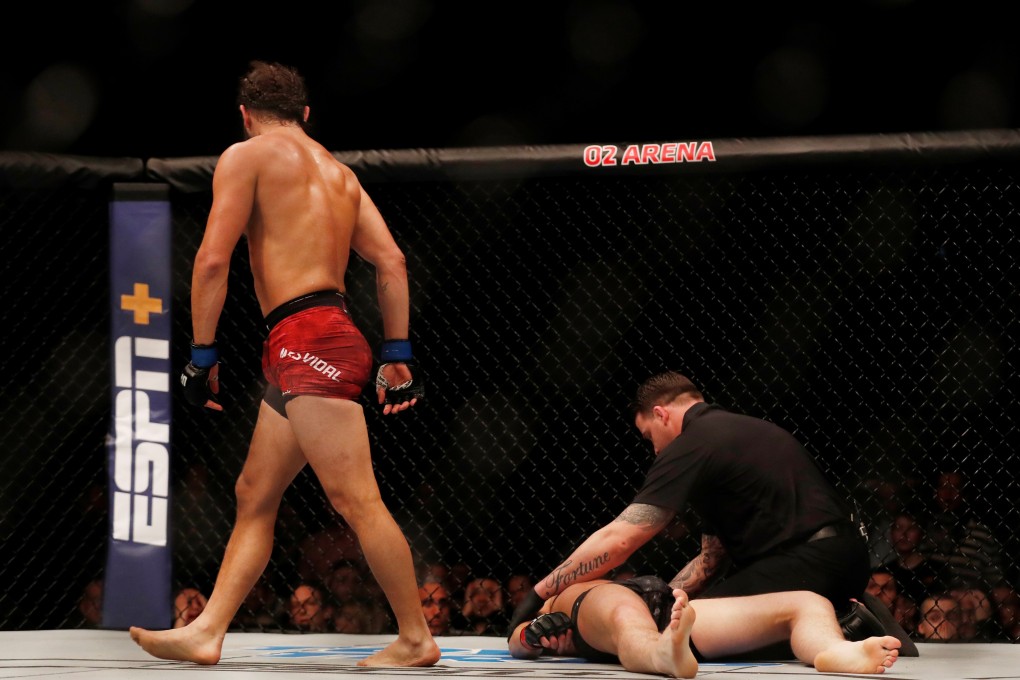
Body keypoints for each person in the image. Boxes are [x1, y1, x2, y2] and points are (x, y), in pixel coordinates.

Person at [128, 60, 438, 668]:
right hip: (319, 336)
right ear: (305, 113)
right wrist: (397, 353)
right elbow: (393, 262)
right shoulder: (341, 175)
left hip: (308, 340)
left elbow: (212, 261)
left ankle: (414, 636)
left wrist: (202, 355)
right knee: (254, 492)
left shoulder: (246, 157)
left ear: (245, 116)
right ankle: (207, 630)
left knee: (355, 500)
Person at [512, 372, 875, 635]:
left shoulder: (693, 442)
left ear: (661, 414)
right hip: (842, 557)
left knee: (693, 635)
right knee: (679, 622)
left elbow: (622, 538)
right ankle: (838, 615)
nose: (654, 449)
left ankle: (846, 627)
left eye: (649, 436)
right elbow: (710, 561)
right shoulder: (736, 433)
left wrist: (539, 593)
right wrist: (658, 606)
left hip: (807, 562)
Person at [508, 576, 901, 677]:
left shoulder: (599, 587)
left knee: (805, 602)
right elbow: (516, 640)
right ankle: (662, 653)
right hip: (603, 608)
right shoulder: (564, 596)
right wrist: (533, 634)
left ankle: (831, 650)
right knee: (628, 620)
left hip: (664, 611)